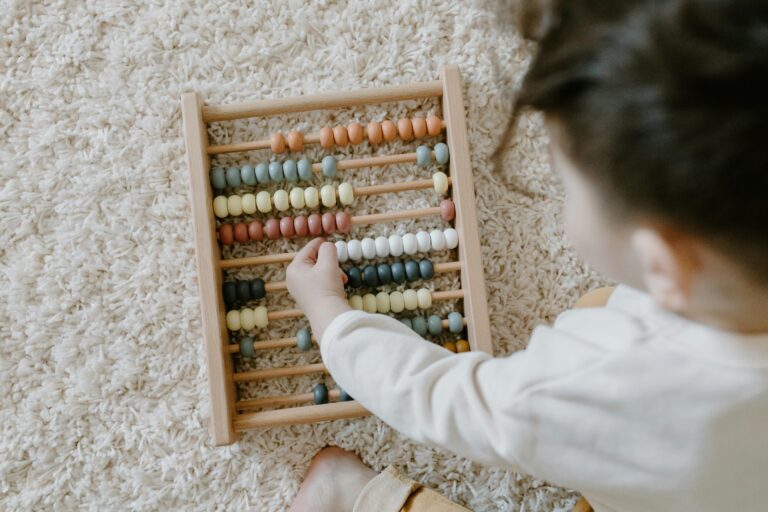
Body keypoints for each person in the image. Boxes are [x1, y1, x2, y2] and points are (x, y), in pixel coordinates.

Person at [287, 1, 768, 510]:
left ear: (664, 264)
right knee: (600, 308)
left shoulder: (590, 384)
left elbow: (436, 397)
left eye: (570, 187)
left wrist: (331, 319)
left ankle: (363, 496)